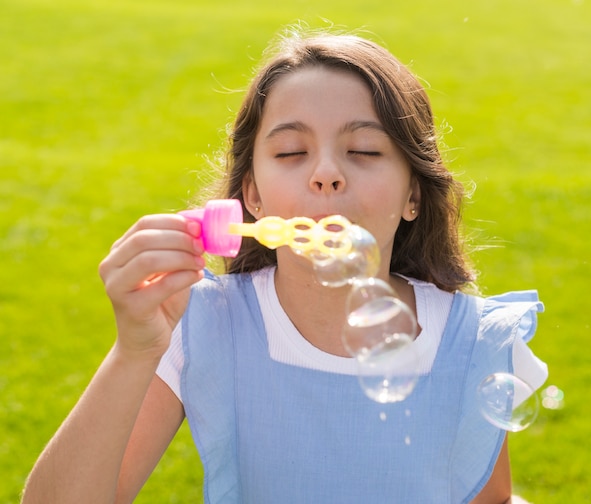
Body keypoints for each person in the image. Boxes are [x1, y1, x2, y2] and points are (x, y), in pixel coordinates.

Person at [22, 27, 547, 504]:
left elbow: (492, 498)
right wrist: (136, 351)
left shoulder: (471, 342)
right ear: (253, 197)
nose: (325, 174)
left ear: (414, 193)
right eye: (292, 152)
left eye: (363, 149)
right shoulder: (202, 324)